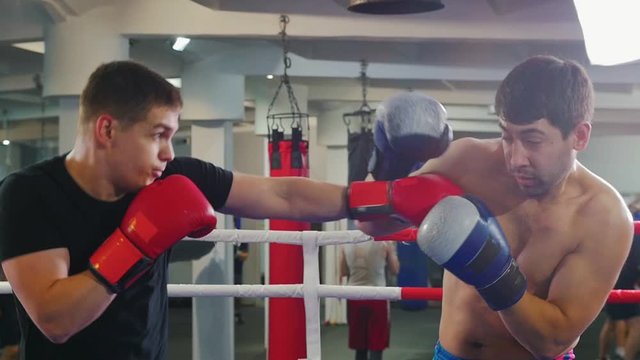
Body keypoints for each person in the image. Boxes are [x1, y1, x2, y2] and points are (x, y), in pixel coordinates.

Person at [0, 60, 349, 359]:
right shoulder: (30, 193)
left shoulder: (172, 176)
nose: (168, 152)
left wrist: (370, 202)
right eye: (158, 135)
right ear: (107, 129)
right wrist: (134, 244)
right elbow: (56, 321)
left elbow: (283, 194)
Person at [350, 55, 634, 359]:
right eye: (507, 136)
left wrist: (492, 273)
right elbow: (373, 225)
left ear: (579, 136)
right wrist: (391, 166)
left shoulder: (605, 216)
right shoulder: (468, 160)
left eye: (533, 140)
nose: (515, 158)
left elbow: (551, 342)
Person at [339, 240, 400, 360]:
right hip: (377, 296)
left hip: (355, 296)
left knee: (360, 346)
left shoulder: (346, 241)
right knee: (376, 345)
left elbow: (344, 272)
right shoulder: (384, 242)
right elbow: (394, 270)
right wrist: (392, 251)